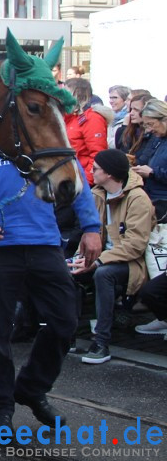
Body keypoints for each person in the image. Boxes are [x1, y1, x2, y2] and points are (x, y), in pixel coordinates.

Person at [0, 155, 101, 436]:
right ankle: (1, 409)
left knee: (65, 322)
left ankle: (31, 388)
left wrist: (92, 228)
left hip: (44, 242)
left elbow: (76, 178)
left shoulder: (42, 137)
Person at [73, 149, 155, 364]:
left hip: (130, 263)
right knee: (69, 272)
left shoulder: (138, 199)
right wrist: (79, 259)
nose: (92, 170)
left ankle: (101, 342)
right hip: (99, 257)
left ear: (109, 173)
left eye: (97, 168)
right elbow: (87, 234)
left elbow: (135, 245)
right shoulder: (96, 194)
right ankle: (67, 335)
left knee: (104, 274)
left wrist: (98, 261)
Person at [64, 78, 109, 185]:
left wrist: (86, 182)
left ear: (76, 95)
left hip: (81, 180)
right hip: (69, 177)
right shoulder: (70, 118)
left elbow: (97, 153)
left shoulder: (92, 118)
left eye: (65, 93)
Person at [133, 99, 167, 221]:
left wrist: (152, 173)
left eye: (150, 124)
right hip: (153, 198)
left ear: (163, 119)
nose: (148, 130)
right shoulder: (159, 138)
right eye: (145, 125)